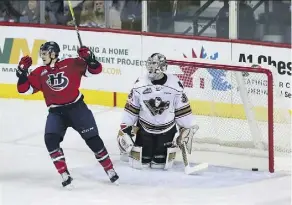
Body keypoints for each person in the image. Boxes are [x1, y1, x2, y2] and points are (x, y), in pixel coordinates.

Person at [16, 41, 119, 187]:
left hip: (77, 109)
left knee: (93, 140)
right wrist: (22, 73)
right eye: (42, 53)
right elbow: (24, 90)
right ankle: (64, 174)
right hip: (56, 112)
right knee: (50, 140)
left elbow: (95, 70)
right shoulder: (40, 72)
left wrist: (90, 59)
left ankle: (110, 170)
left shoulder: (71, 63)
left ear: (53, 53)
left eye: (45, 53)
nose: (42, 56)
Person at [117, 53, 197, 170]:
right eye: (149, 63)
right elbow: (131, 109)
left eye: (154, 64)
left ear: (163, 67)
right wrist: (125, 128)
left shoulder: (175, 85)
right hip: (144, 130)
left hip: (167, 131)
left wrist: (186, 128)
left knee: (159, 164)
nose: (150, 67)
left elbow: (182, 110)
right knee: (141, 162)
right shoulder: (140, 84)